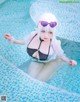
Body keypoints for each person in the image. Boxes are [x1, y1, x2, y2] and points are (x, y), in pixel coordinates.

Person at [4, 13, 77, 81]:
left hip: (52, 61)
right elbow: (24, 42)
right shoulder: (33, 35)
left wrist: (69, 61)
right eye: (43, 31)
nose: (46, 36)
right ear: (37, 28)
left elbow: (61, 55)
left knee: (39, 81)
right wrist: (12, 39)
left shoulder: (54, 42)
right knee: (30, 79)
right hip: (36, 61)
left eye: (50, 32)